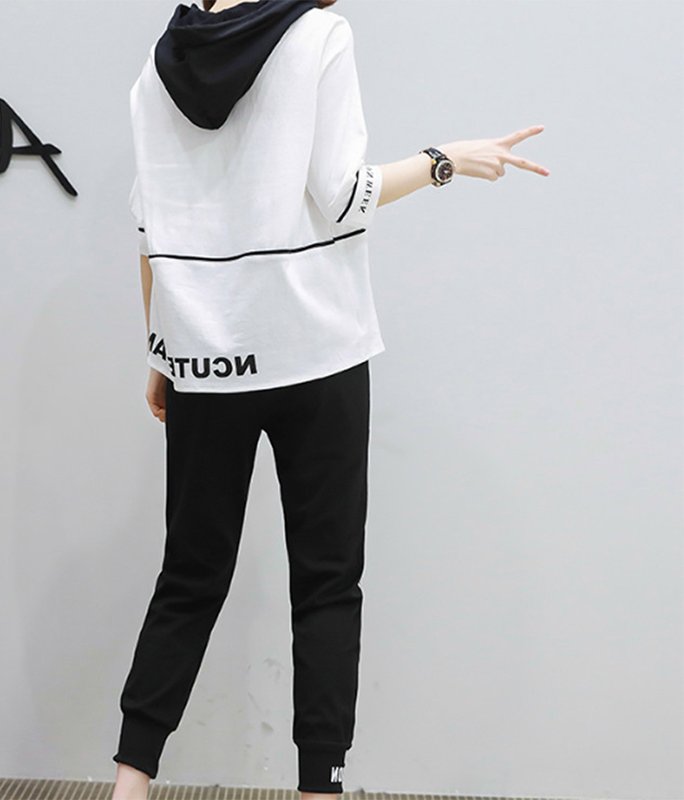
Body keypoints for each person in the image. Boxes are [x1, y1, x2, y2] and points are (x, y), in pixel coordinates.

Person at [112, 1, 549, 798]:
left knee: (190, 575)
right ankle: (319, 788)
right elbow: (344, 194)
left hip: (205, 356)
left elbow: (152, 225)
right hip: (316, 350)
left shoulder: (160, 64)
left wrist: (160, 350)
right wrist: (446, 160)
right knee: (326, 583)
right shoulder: (318, 36)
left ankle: (129, 781)